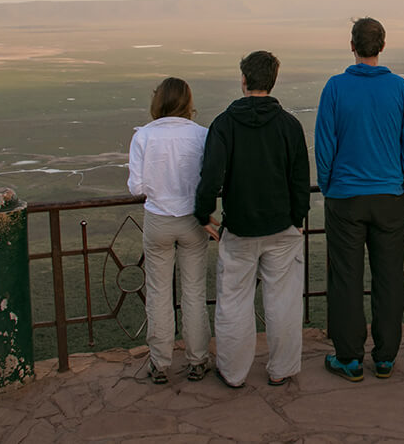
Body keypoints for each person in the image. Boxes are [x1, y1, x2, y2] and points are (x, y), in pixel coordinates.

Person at [194, 51, 310, 388]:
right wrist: (298, 217)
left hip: (240, 228)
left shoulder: (224, 124)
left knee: (233, 302)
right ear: (273, 82)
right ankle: (282, 369)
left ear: (243, 80)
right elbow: (300, 178)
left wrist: (203, 214)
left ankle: (233, 372)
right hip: (282, 227)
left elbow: (211, 176)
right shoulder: (289, 125)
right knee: (284, 302)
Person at [315, 17, 404, 381]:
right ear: (383, 46)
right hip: (389, 196)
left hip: (345, 197)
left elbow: (324, 147)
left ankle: (349, 358)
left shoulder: (335, 88)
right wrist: (400, 181)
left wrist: (329, 186)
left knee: (345, 279)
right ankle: (386, 357)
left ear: (352, 46)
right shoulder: (401, 89)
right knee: (389, 278)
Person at [127, 77, 212, 385]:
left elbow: (136, 186)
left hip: (158, 219)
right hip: (193, 220)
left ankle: (160, 362)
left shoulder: (144, 136)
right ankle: (198, 360)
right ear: (188, 103)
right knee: (194, 291)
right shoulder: (202, 135)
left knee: (159, 293)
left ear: (158, 101)